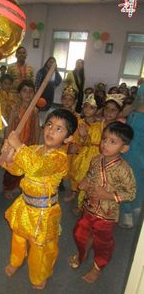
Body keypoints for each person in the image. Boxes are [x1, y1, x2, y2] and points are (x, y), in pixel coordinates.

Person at [1, 109, 78, 289]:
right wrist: (9, 154)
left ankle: (39, 274)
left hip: (44, 212)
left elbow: (36, 167)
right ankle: (16, 260)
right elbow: (18, 170)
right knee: (18, 236)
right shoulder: (35, 149)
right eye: (50, 125)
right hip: (24, 205)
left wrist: (19, 146)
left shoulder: (60, 158)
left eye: (59, 129)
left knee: (40, 247)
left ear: (68, 139)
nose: (51, 131)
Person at [68, 121, 136, 283]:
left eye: (113, 142)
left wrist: (109, 195)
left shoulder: (123, 169)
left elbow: (131, 193)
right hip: (89, 207)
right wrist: (84, 181)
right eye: (104, 139)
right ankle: (82, 253)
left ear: (124, 148)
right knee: (80, 232)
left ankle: (98, 267)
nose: (105, 144)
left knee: (102, 243)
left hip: (106, 215)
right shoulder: (96, 160)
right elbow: (91, 174)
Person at [2, 80, 40, 199]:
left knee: (25, 167)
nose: (28, 94)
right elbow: (9, 126)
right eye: (24, 91)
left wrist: (36, 145)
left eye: (30, 91)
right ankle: (8, 187)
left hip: (28, 144)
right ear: (19, 94)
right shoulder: (15, 109)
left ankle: (22, 186)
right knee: (11, 168)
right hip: (14, 144)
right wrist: (7, 142)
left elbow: (37, 128)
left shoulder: (35, 110)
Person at [119, 83, 144, 228]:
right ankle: (127, 210)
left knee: (138, 176)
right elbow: (130, 109)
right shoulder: (141, 89)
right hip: (132, 144)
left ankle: (135, 206)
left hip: (139, 145)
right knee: (129, 176)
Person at [0, 73, 15, 158]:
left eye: (10, 84)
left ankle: (1, 152)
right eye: (5, 83)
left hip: (8, 120)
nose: (8, 86)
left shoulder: (11, 95)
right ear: (1, 84)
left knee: (6, 136)